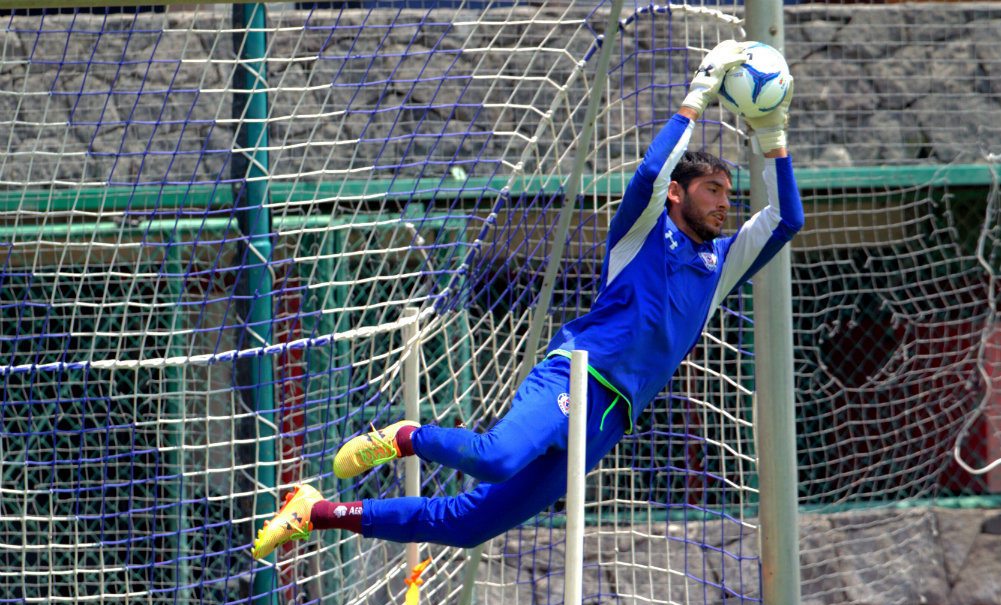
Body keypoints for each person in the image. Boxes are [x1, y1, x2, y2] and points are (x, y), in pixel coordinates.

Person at [251, 40, 804, 560]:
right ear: (680, 195)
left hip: (613, 416)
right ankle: (403, 437)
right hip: (576, 377)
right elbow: (650, 173)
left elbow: (786, 219)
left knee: (470, 526)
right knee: (497, 457)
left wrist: (774, 135)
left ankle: (314, 512)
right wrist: (698, 95)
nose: (725, 204)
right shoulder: (643, 230)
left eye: (730, 194)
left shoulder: (722, 264)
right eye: (714, 190)